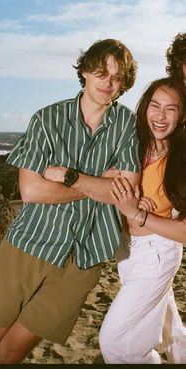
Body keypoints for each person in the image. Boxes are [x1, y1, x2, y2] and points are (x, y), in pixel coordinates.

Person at [0, 38, 141, 364]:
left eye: (117, 78)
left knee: (16, 347)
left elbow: (127, 189)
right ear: (86, 71)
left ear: (124, 84)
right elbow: (31, 191)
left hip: (86, 256)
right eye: (102, 73)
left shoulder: (127, 125)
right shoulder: (47, 120)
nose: (108, 83)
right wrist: (102, 183)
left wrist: (71, 177)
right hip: (30, 245)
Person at [99, 77, 186, 364]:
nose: (160, 117)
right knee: (172, 332)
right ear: (144, 107)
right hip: (127, 249)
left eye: (171, 109)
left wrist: (140, 213)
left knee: (116, 343)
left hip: (157, 253)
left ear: (182, 115)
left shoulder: (180, 159)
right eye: (155, 106)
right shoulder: (131, 144)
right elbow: (104, 179)